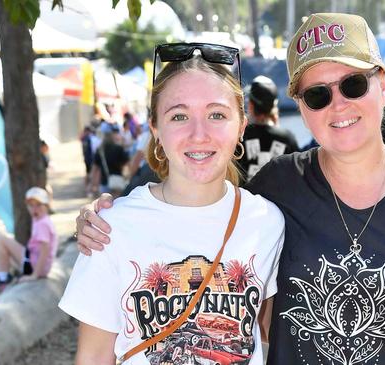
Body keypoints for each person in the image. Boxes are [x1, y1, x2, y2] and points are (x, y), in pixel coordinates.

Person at [75, 14, 385, 364]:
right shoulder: (277, 186)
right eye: (316, 95)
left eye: (353, 85)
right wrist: (101, 220)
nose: (338, 105)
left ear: (381, 84)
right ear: (301, 109)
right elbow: (197, 203)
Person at [60, 44, 285, 364]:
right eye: (179, 115)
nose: (199, 134)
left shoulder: (266, 222)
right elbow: (93, 357)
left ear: (241, 127)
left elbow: (269, 334)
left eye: (217, 114)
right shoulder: (110, 228)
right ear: (155, 128)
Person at [0, 187, 58, 301]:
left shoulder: (42, 223)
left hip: (34, 266)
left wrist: (35, 274)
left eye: (39, 205)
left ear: (47, 205)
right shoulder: (39, 219)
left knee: (0, 239)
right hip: (33, 261)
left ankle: (2, 281)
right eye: (31, 205)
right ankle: (0, 280)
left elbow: (45, 249)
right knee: (1, 250)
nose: (35, 209)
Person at [239, 75, 299, 182]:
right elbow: (296, 177)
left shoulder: (241, 135)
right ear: (274, 106)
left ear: (251, 105)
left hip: (244, 197)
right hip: (277, 198)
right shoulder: (287, 139)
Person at [90, 124, 130, 196]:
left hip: (104, 183)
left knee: (105, 206)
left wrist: (93, 184)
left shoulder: (100, 150)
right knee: (118, 204)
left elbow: (95, 169)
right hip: (118, 181)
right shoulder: (118, 148)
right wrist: (127, 177)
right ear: (112, 134)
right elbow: (127, 165)